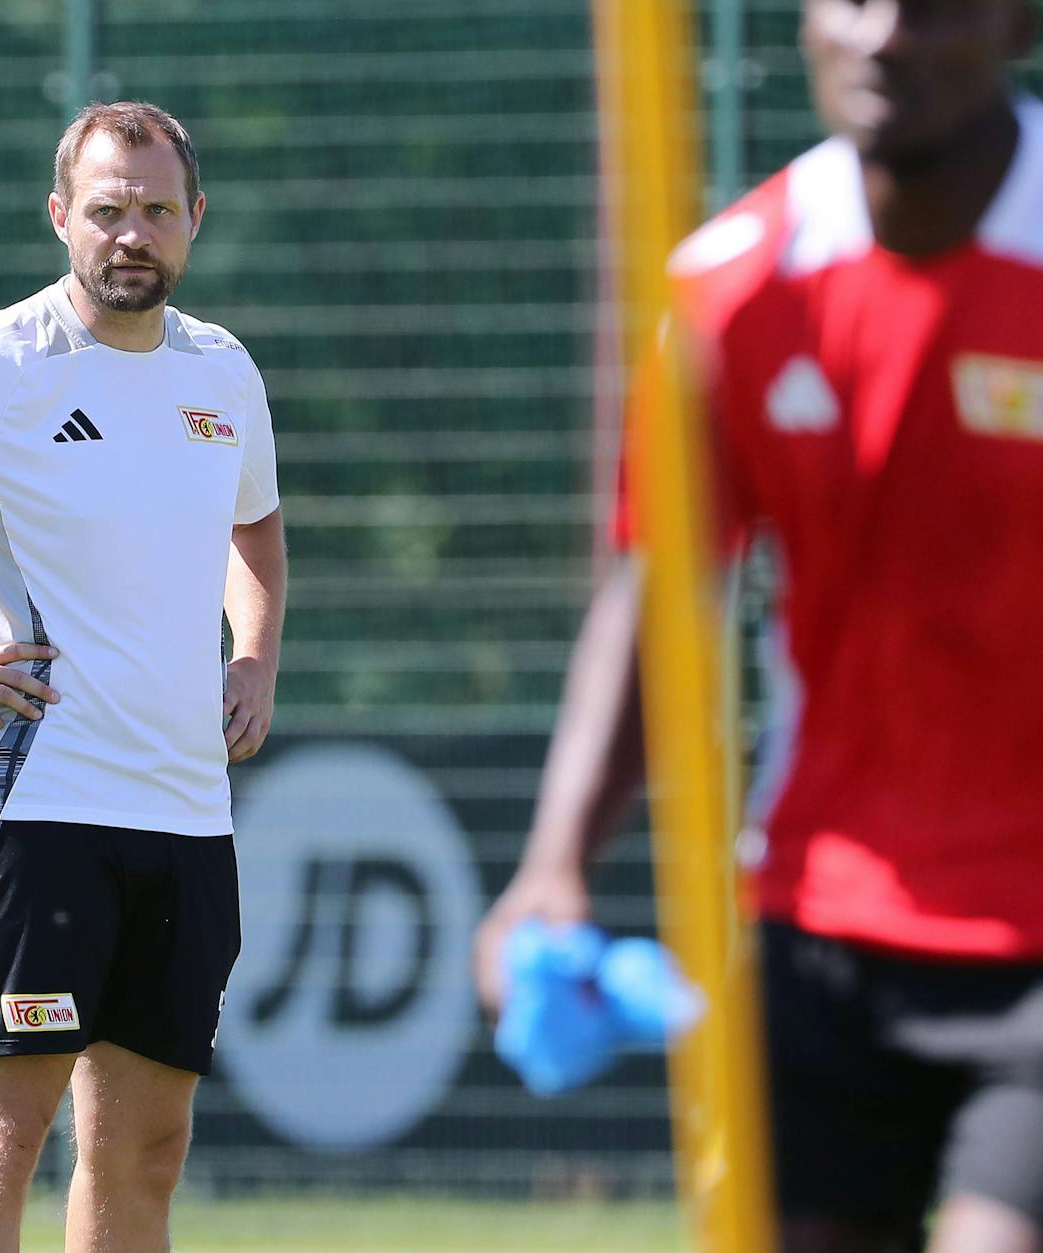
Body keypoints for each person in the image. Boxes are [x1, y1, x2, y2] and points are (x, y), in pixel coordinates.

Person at [476, 2, 1043, 1251]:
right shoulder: (733, 284)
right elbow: (663, 585)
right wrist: (554, 859)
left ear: (1009, 23)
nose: (883, 34)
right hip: (820, 922)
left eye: (930, 4)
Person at [0, 101, 286, 1253]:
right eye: (106, 210)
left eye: (155, 210)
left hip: (185, 813)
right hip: (32, 808)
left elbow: (255, 522)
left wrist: (252, 653)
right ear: (58, 216)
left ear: (195, 217)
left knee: (145, 1149)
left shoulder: (221, 371)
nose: (131, 233)